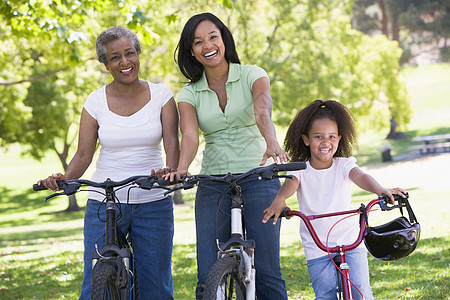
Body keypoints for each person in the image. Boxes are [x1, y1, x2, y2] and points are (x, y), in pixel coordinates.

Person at [37, 26, 179, 300]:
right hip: (104, 201)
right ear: (106, 64)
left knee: (156, 287)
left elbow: (172, 142)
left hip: (152, 202)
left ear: (138, 54)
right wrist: (64, 179)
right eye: (115, 57)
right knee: (94, 285)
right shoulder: (95, 101)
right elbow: (83, 155)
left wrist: (169, 172)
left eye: (129, 53)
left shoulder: (162, 95)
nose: (124, 62)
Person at [169, 12, 290, 300]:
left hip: (259, 176)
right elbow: (189, 135)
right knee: (208, 272)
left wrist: (271, 140)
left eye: (213, 37)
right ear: (191, 51)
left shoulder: (252, 74)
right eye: (198, 42)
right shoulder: (188, 94)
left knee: (268, 270)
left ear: (224, 39)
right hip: (213, 180)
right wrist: (182, 168)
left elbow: (262, 109)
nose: (207, 45)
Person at [262, 99, 407, 300]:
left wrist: (379, 190)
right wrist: (280, 199)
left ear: (339, 139)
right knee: (325, 295)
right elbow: (290, 184)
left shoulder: (343, 165)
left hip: (350, 240)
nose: (325, 142)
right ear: (306, 139)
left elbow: (361, 177)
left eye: (331, 137)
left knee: (361, 293)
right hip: (317, 245)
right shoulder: (302, 169)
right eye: (318, 137)